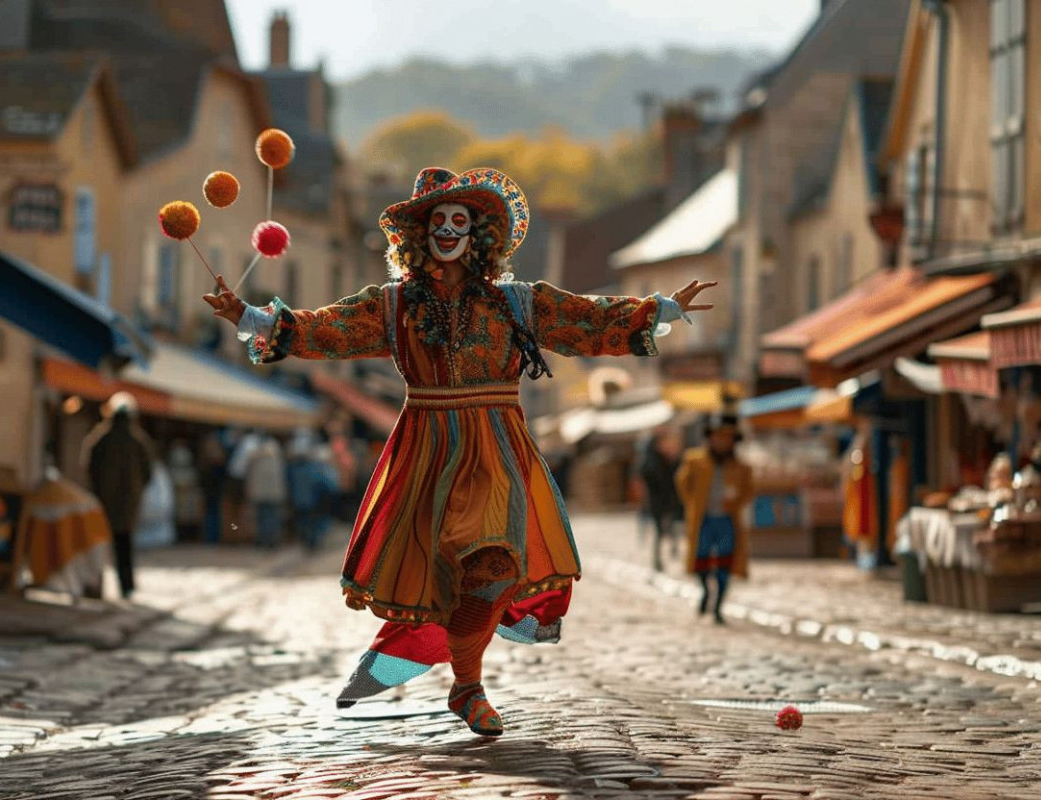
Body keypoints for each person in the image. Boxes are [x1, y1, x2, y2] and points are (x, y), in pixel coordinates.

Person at [203, 166, 713, 736]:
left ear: (479, 234)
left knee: (494, 565)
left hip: (498, 447)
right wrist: (249, 317)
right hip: (428, 451)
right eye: (437, 221)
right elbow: (329, 329)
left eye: (459, 220)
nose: (448, 229)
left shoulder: (517, 303)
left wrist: (659, 309)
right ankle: (464, 681)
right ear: (419, 236)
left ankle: (467, 686)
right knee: (446, 578)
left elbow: (582, 319)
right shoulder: (393, 306)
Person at [675, 414, 753, 625]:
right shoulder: (694, 460)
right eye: (718, 437)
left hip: (727, 521)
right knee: (701, 560)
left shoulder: (741, 467)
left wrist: (735, 500)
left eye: (726, 438)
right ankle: (705, 592)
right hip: (704, 520)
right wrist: (693, 503)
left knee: (725, 563)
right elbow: (682, 483)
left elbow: (748, 491)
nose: (722, 442)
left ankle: (718, 605)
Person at [82, 392, 154, 600]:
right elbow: (148, 472)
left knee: (98, 546)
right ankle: (126, 586)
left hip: (104, 502)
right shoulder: (138, 441)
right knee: (124, 546)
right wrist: (136, 492)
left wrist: (98, 490)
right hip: (127, 504)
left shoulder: (101, 438)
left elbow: (90, 467)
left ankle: (95, 585)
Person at [639, 428, 684, 572]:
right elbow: (648, 476)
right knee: (659, 530)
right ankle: (657, 559)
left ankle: (673, 551)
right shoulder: (652, 460)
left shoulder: (669, 459)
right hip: (657, 500)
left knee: (672, 525)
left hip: (669, 499)